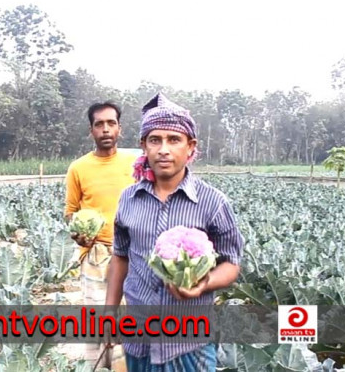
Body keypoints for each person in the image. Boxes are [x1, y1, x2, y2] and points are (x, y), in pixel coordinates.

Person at [104, 93, 244, 371]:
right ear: (144, 145)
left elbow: (232, 264)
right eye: (155, 140)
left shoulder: (213, 202)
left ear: (190, 147)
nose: (163, 149)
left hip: (189, 341)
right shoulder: (128, 198)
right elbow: (120, 257)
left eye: (174, 140)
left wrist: (204, 283)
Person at [64, 101, 136, 368]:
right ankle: (97, 366)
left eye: (111, 123)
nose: (105, 129)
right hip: (95, 253)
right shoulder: (78, 168)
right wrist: (79, 234)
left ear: (119, 128)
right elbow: (71, 212)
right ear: (91, 130)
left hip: (133, 253)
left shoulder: (135, 162)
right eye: (99, 124)